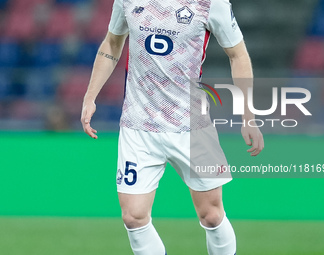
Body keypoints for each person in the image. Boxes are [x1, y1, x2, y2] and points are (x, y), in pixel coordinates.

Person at [81, 0, 264, 254]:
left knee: (211, 214)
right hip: (138, 124)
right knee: (133, 217)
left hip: (192, 126)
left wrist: (249, 116)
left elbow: (238, 54)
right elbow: (112, 42)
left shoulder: (210, 4)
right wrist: (90, 96)